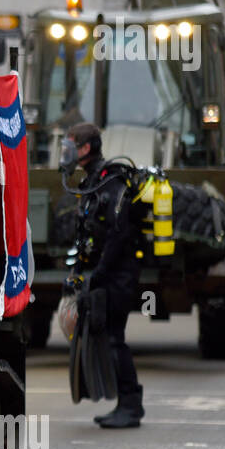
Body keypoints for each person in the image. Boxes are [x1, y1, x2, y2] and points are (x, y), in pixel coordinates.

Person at [64, 122, 146, 429]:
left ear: (85, 149)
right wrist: (77, 271)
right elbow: (88, 232)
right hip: (106, 273)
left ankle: (131, 405)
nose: (66, 154)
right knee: (108, 337)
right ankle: (124, 403)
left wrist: (97, 275)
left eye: (70, 147)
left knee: (114, 339)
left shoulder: (110, 182)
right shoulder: (91, 182)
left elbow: (117, 234)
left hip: (118, 275)